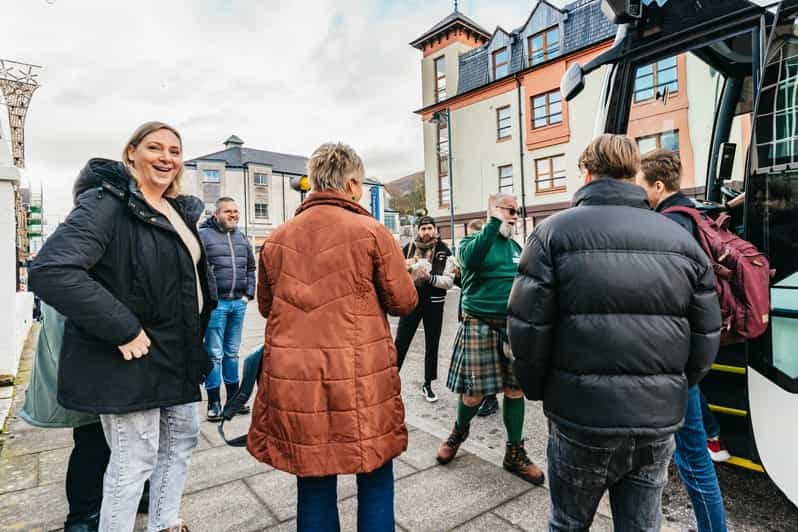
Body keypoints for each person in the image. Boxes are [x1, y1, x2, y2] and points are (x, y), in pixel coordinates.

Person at [507, 134, 722, 530]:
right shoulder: (680, 239)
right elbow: (707, 335)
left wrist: (542, 391)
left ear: (587, 173)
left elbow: (526, 330)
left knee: (569, 522)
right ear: (633, 174)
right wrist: (670, 386)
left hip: (580, 416)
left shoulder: (552, 234)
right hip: (654, 421)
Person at [29, 121, 216, 532]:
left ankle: (165, 523)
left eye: (174, 150)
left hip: (176, 353)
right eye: (154, 147)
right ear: (131, 153)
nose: (165, 157)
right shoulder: (106, 202)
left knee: (180, 442)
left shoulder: (178, 209)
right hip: (130, 356)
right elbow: (51, 270)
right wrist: (123, 328)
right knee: (134, 461)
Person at [246, 142, 418, 531]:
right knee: (373, 473)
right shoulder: (372, 231)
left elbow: (265, 306)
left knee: (313, 479)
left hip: (296, 379)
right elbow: (404, 302)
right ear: (353, 185)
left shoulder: (276, 239)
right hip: (359, 375)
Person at [638, 149, 729, 531]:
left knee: (692, 459)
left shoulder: (671, 225)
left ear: (658, 186)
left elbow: (665, 296)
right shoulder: (692, 214)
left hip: (672, 357)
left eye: (642, 185)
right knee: (689, 455)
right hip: (684, 355)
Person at [436, 193, 545, 486]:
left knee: (514, 391)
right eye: (509, 210)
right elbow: (471, 259)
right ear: (494, 211)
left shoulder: (516, 247)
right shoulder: (473, 243)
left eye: (516, 211)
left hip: (512, 327)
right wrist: (492, 221)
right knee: (472, 394)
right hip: (479, 324)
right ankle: (459, 432)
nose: (515, 215)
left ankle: (514, 452)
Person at [198, 196, 256, 421]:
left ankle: (234, 399)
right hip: (216, 305)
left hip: (237, 304)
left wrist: (247, 294)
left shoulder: (241, 237)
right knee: (214, 354)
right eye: (228, 211)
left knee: (232, 352)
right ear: (216, 215)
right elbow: (196, 270)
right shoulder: (203, 236)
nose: (233, 215)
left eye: (236, 211)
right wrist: (207, 299)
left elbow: (251, 267)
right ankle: (213, 402)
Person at [394, 215, 453, 402]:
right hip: (412, 302)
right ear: (418, 231)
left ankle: (428, 384)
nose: (426, 232)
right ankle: (390, 382)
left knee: (432, 344)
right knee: (401, 342)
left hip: (434, 304)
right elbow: (395, 273)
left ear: (435, 230)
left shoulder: (444, 250)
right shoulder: (408, 248)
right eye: (423, 228)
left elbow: (449, 281)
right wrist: (407, 269)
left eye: (429, 228)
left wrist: (429, 278)